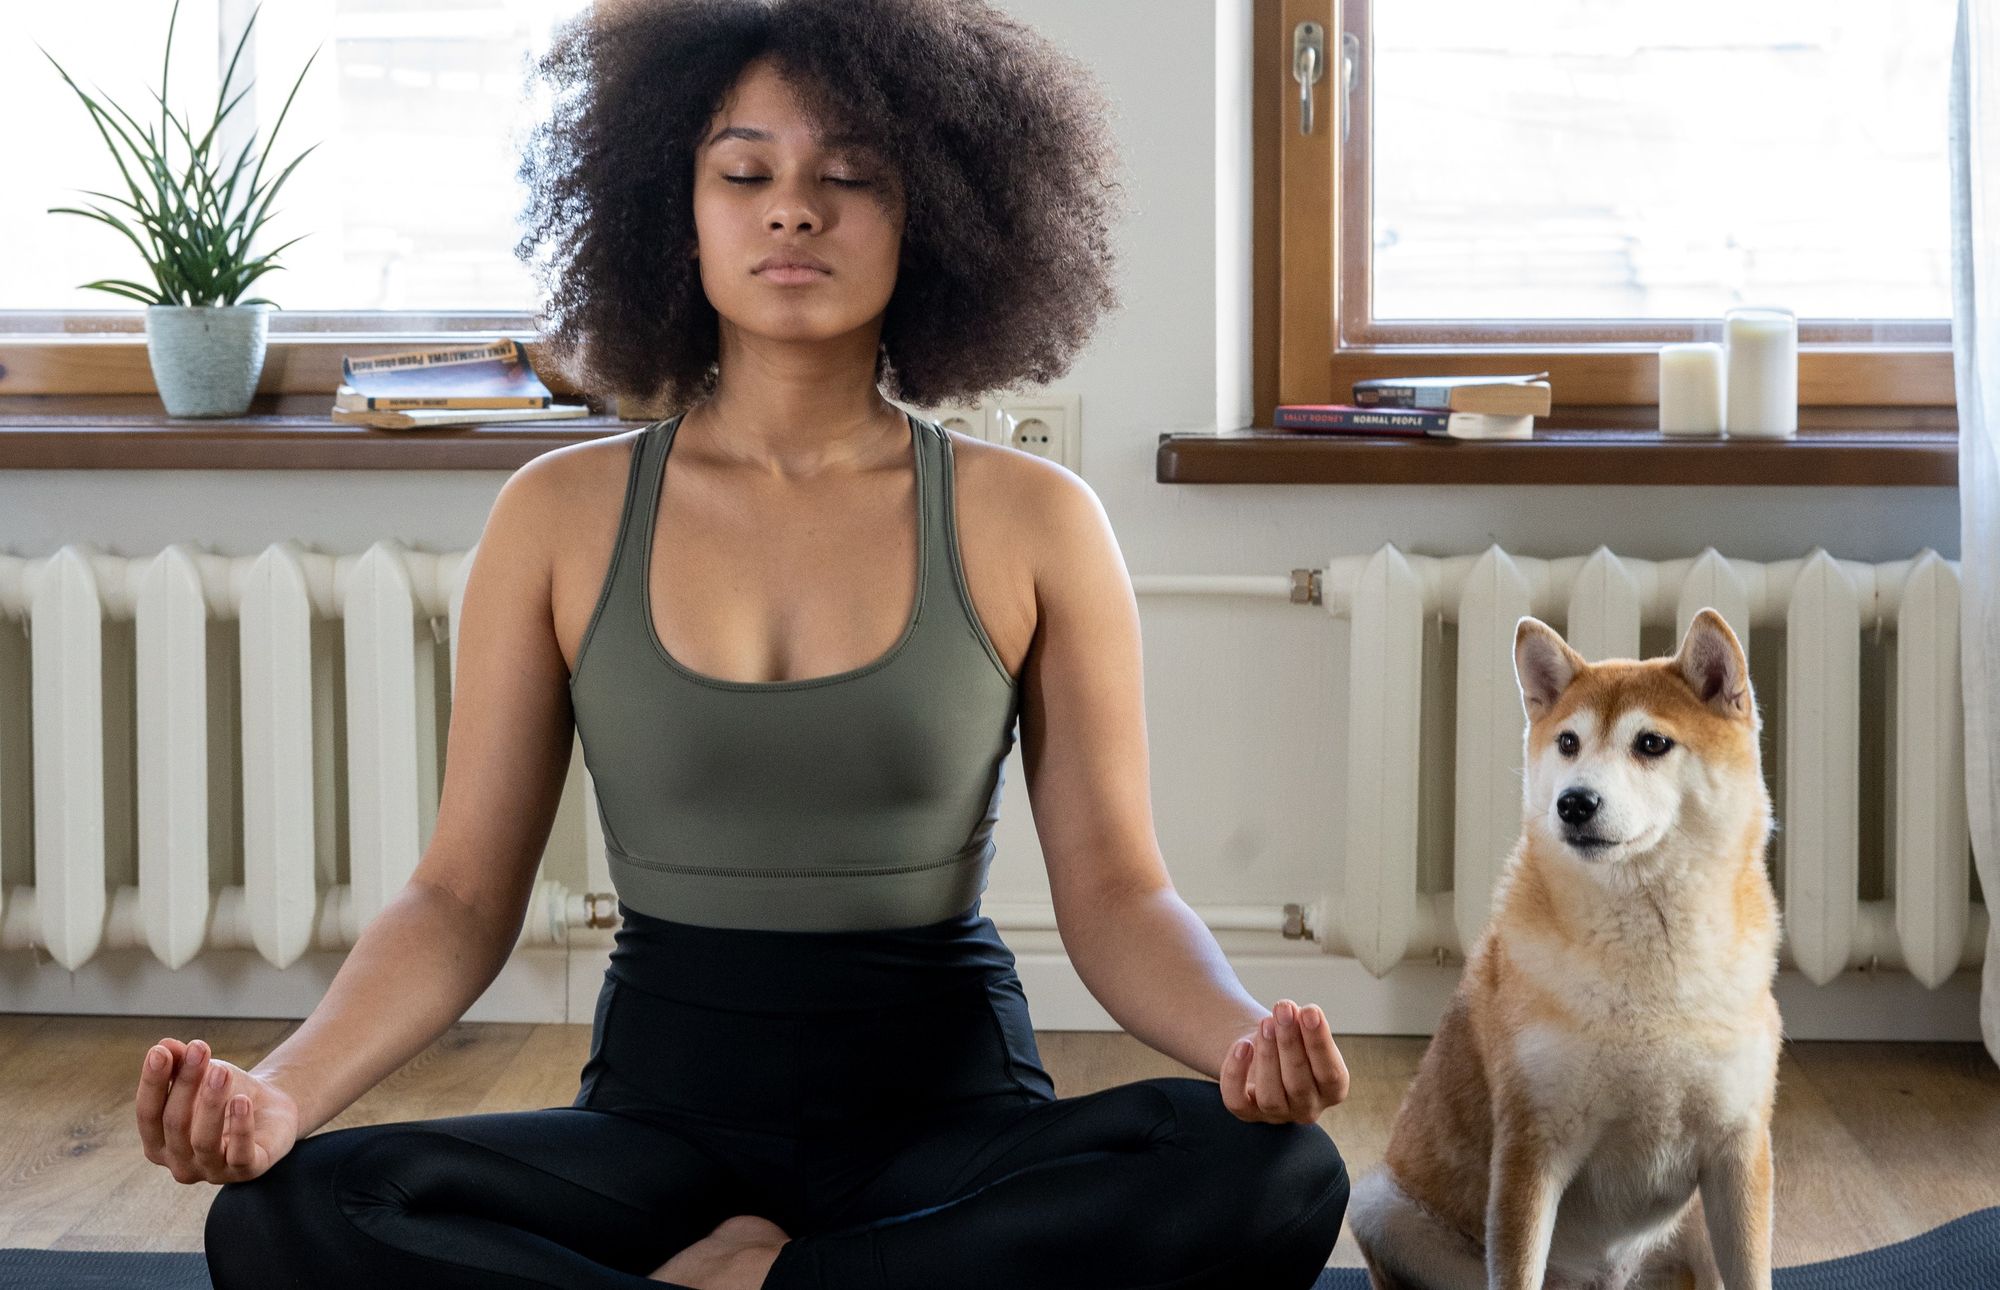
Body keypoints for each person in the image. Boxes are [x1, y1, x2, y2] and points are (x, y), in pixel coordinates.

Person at [144, 2, 1353, 1286]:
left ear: (934, 213)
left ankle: (753, 1278)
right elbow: (456, 899)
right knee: (285, 1215)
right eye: (744, 172)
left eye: (848, 176)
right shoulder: (555, 515)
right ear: (677, 209)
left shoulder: (1033, 519)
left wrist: (1241, 1045)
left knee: (1274, 1173)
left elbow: (1118, 896)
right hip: (657, 1128)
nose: (792, 210)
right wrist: (276, 1092)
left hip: (947, 1130)